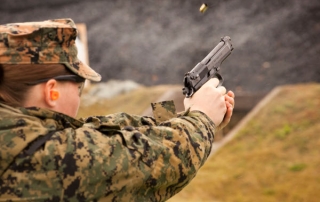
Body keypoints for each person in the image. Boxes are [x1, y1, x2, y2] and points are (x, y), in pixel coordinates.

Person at [0, 18, 234, 201]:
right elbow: (155, 162)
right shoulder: (40, 154)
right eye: (79, 84)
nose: (81, 92)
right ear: (52, 91)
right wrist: (201, 118)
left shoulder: (15, 134)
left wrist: (187, 115)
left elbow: (99, 131)